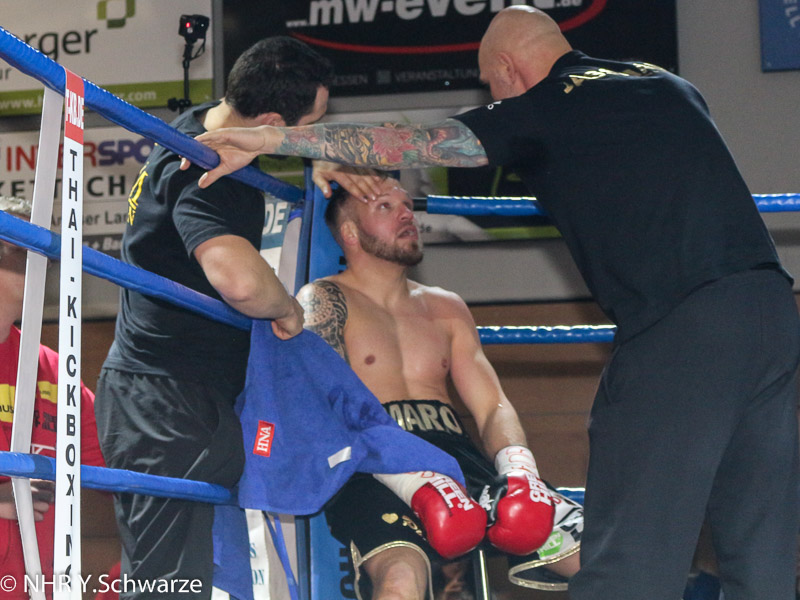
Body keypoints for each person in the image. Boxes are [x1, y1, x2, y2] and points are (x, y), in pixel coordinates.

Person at [189, 7, 800, 600]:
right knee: (760, 539)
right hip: (772, 312)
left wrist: (271, 138)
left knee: (628, 548)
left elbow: (417, 142)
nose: (494, 96)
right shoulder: (665, 83)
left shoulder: (548, 104)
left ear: (508, 69)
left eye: (490, 84)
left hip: (681, 327)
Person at [93, 36, 336, 599]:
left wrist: (320, 152)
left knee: (205, 583)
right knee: (167, 587)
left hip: (185, 395)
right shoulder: (209, 168)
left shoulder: (202, 124)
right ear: (272, 122)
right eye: (309, 127)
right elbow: (239, 281)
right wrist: (287, 309)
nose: (313, 134)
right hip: (165, 402)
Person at [296, 178, 583, 599]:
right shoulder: (324, 299)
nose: (406, 215)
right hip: (372, 463)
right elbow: (323, 409)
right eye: (385, 207)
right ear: (350, 233)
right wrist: (412, 482)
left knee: (600, 556)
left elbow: (492, 406)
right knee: (400, 579)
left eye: (406, 205)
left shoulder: (446, 305)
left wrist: (520, 470)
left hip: (456, 460)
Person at [0, 196, 107, 599]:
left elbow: (122, 465)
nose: (42, 264)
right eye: (25, 248)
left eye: (47, 255)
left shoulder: (55, 371)